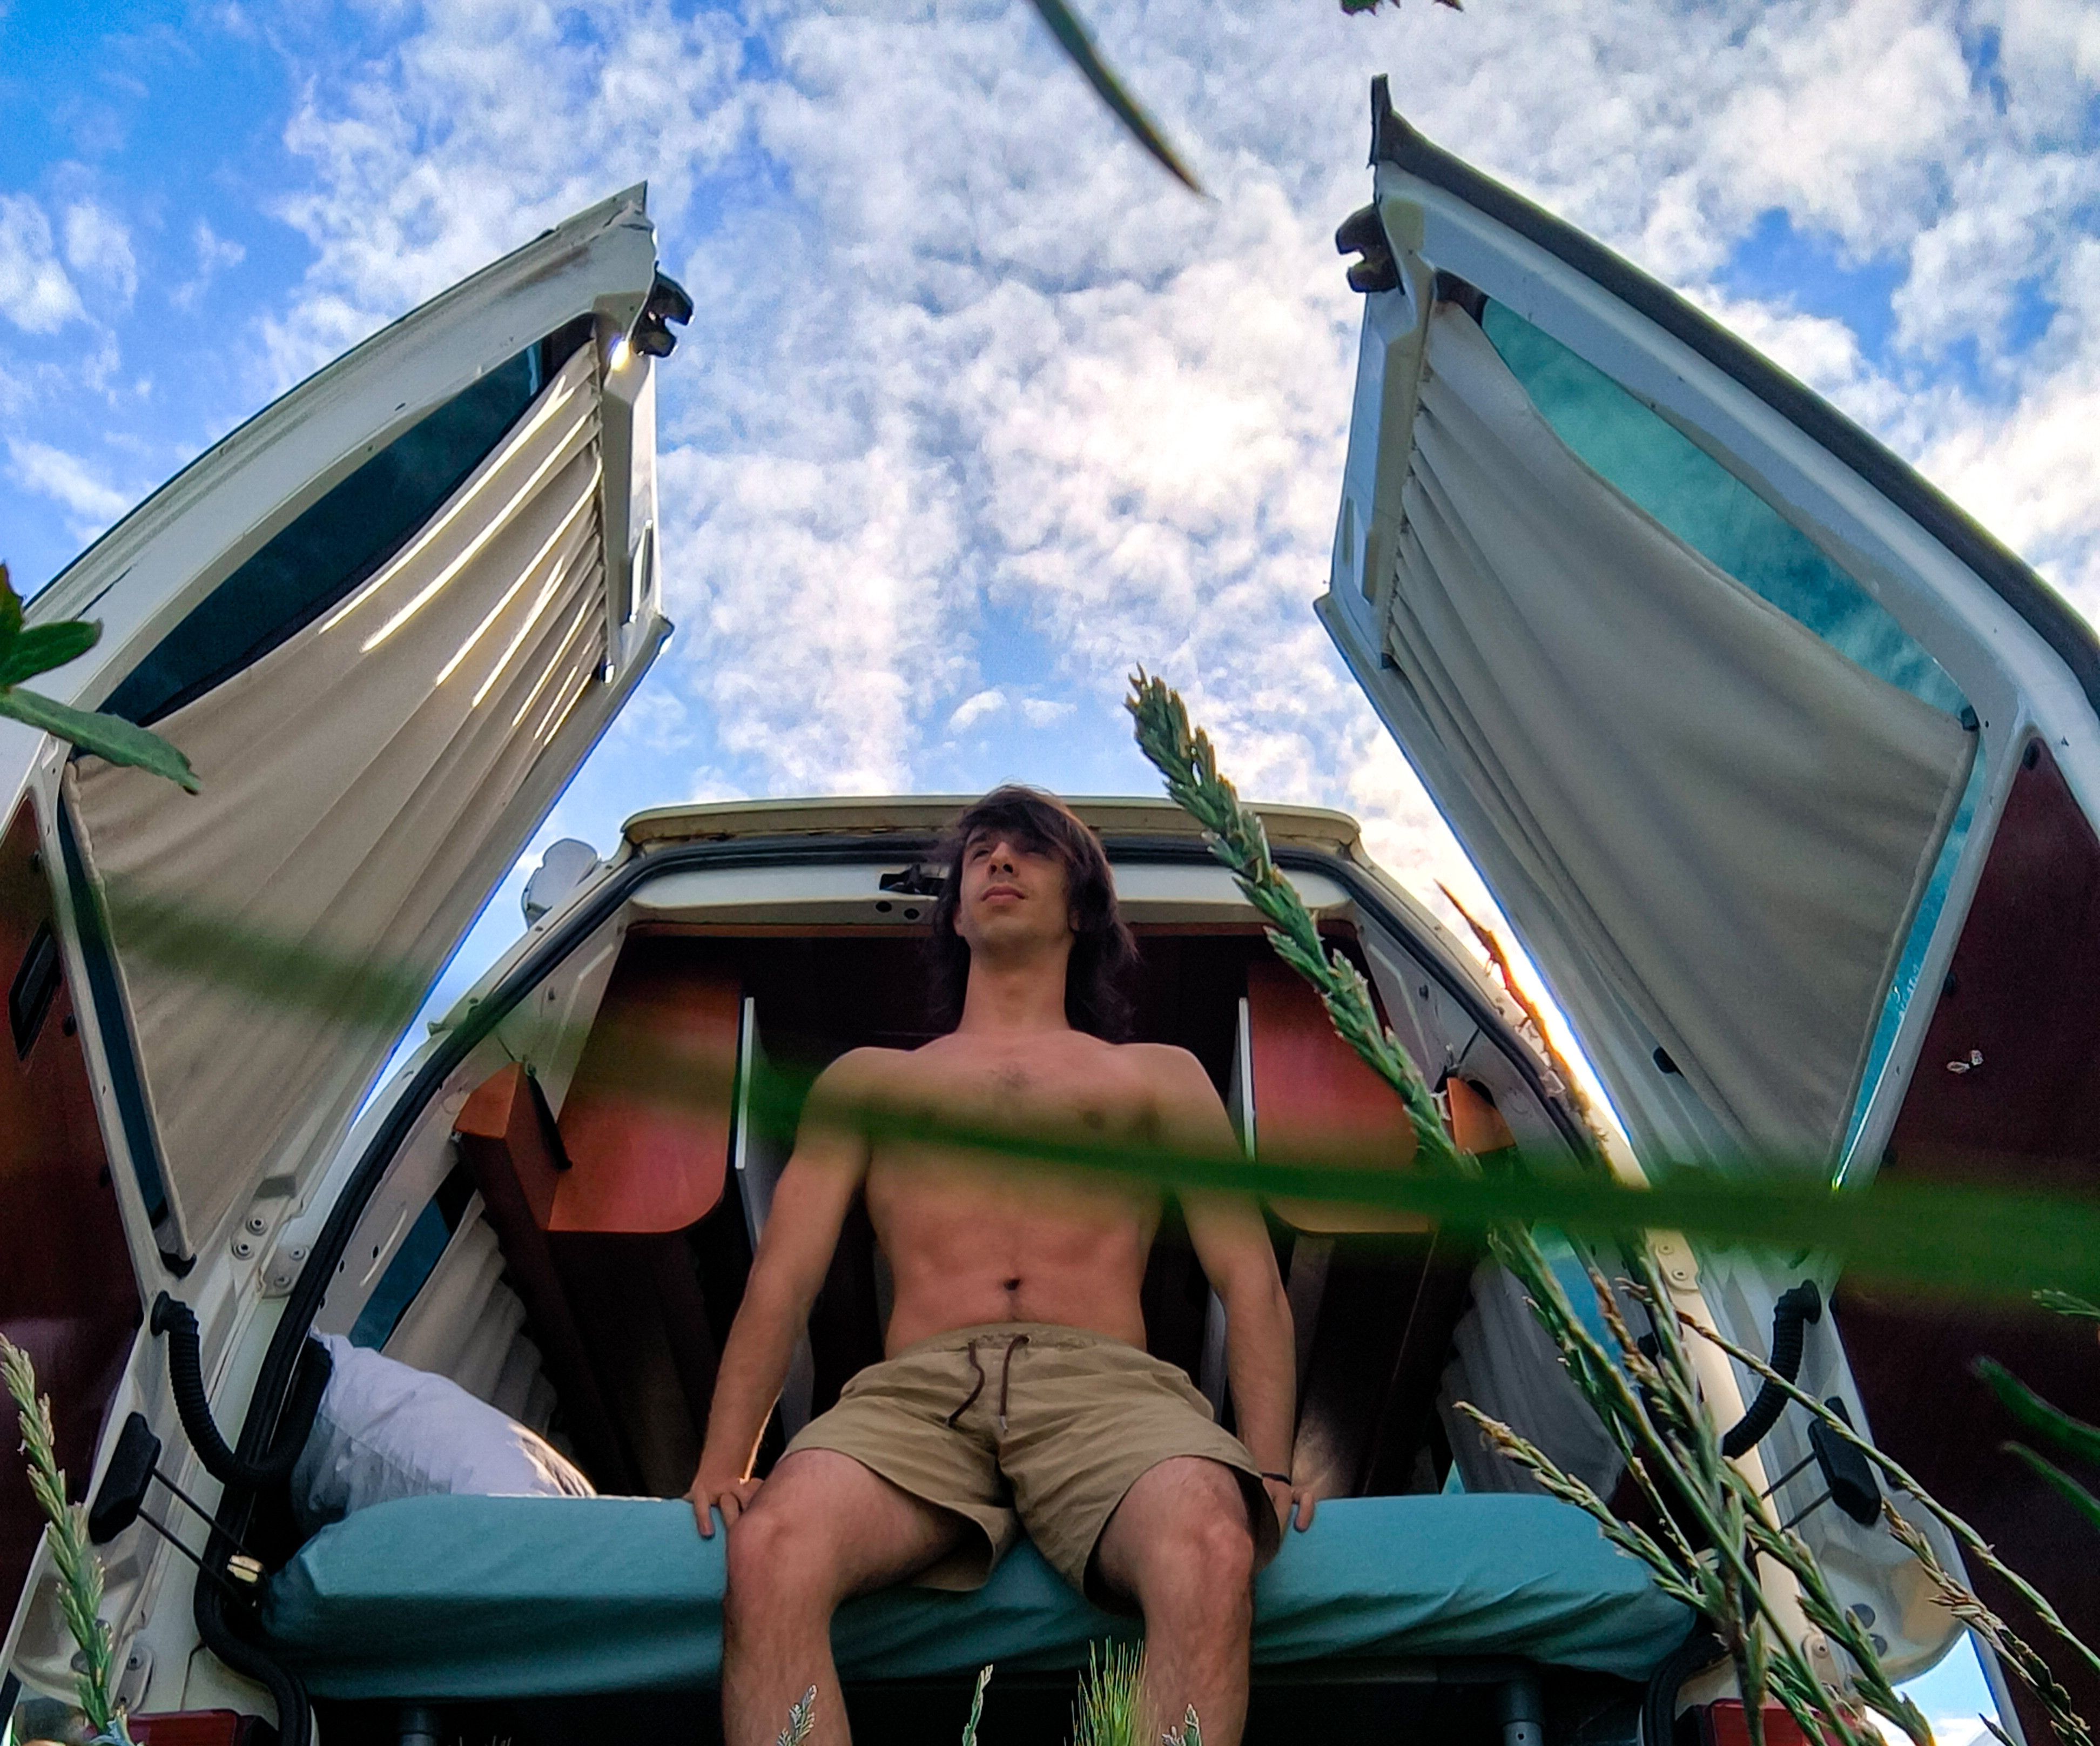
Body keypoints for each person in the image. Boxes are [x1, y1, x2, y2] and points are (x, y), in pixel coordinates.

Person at [687, 785, 1311, 1746]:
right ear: (954, 915)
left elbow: (1250, 1279)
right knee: (770, 1548)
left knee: (1210, 1542)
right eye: (980, 852)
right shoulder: (868, 1083)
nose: (1000, 862)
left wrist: (1267, 1467)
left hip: (1110, 1391)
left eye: (1030, 850)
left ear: (1082, 908)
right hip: (913, 1398)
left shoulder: (1160, 1077)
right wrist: (723, 1464)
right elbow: (783, 1281)